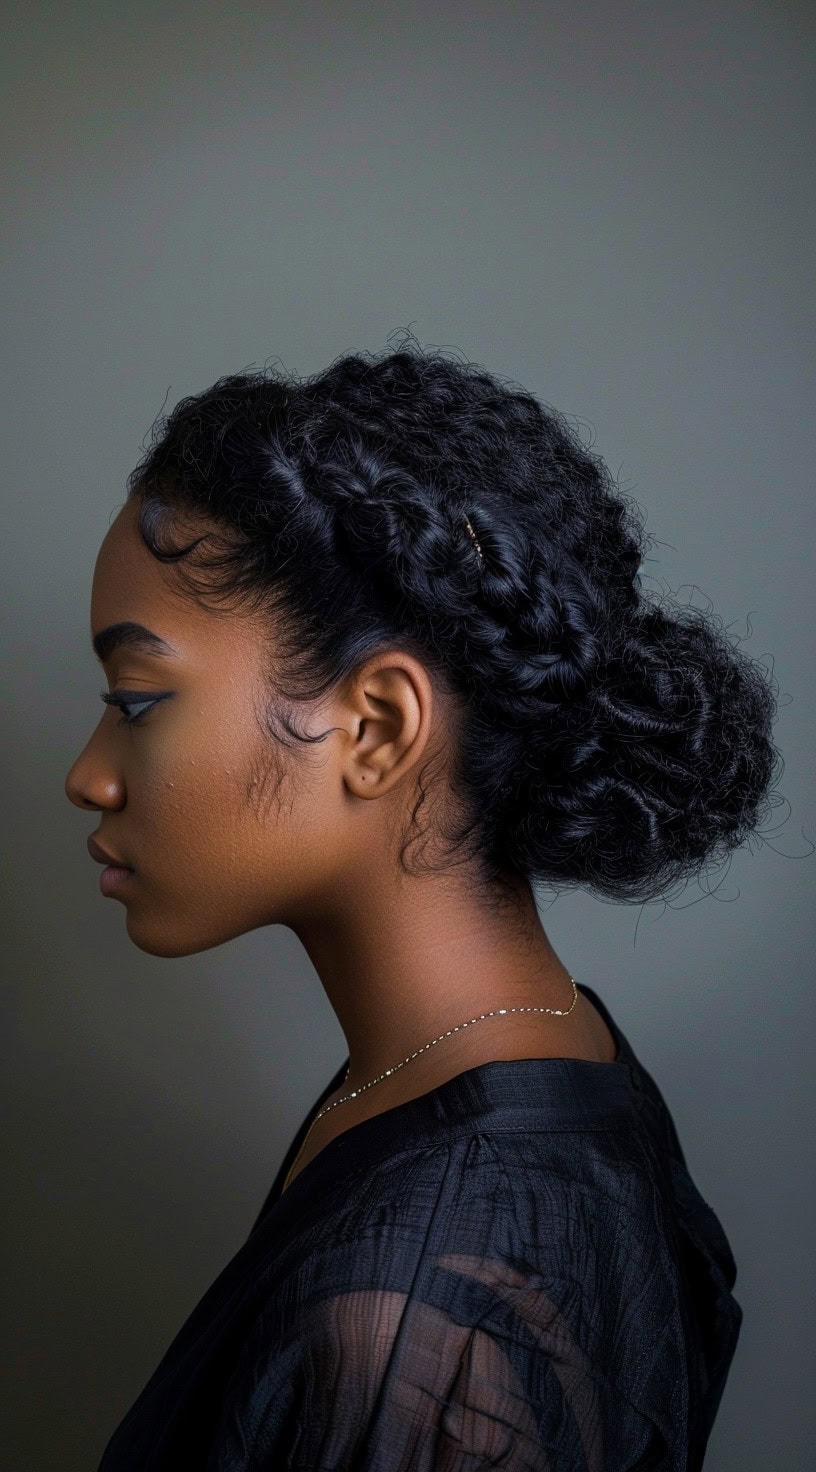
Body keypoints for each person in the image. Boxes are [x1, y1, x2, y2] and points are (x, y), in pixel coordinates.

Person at [65, 338, 780, 1470]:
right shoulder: (526, 1060)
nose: (88, 774)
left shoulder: (422, 1313)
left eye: (138, 701)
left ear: (381, 727)